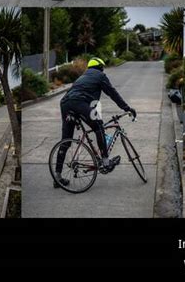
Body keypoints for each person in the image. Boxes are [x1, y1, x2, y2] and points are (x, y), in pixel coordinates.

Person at [53, 57, 137, 188]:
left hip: (65, 103)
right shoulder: (100, 76)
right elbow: (112, 93)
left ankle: (57, 177)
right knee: (98, 126)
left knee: (66, 141)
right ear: (101, 67)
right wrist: (126, 108)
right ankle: (105, 161)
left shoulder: (83, 76)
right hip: (79, 102)